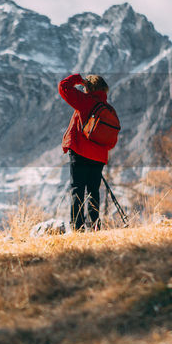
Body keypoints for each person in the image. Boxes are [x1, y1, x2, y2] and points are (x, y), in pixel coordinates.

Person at [58, 73, 111, 231]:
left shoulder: (84, 102)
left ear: (88, 88)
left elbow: (63, 87)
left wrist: (78, 79)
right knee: (93, 191)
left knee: (77, 190)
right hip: (99, 156)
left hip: (80, 153)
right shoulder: (107, 108)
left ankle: (78, 228)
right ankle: (95, 227)